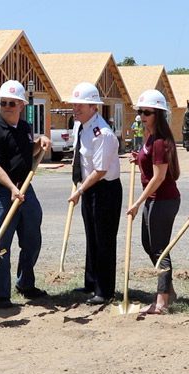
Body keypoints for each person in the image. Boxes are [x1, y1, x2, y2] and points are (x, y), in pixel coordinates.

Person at [0, 80, 51, 309]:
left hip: (24, 189)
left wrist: (39, 144)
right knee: (1, 242)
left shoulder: (25, 128)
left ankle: (25, 284)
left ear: (21, 104)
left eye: (12, 103)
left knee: (32, 238)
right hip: (0, 191)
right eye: (3, 103)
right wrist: (11, 188)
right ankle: (1, 295)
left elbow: (25, 152)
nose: (7, 106)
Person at [126, 90, 180, 315]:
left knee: (160, 249)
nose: (142, 116)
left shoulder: (159, 142)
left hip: (163, 200)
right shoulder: (150, 138)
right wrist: (138, 158)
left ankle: (162, 302)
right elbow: (149, 164)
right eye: (140, 111)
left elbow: (159, 177)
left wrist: (138, 202)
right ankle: (169, 290)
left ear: (157, 114)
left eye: (146, 112)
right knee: (148, 245)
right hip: (153, 199)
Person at [68, 82, 122, 305]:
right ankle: (91, 281)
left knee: (104, 240)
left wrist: (80, 189)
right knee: (91, 237)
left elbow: (100, 170)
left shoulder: (103, 133)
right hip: (89, 187)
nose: (76, 109)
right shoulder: (80, 127)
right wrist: (78, 183)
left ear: (94, 107)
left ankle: (104, 290)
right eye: (75, 105)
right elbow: (80, 158)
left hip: (104, 190)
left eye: (82, 105)